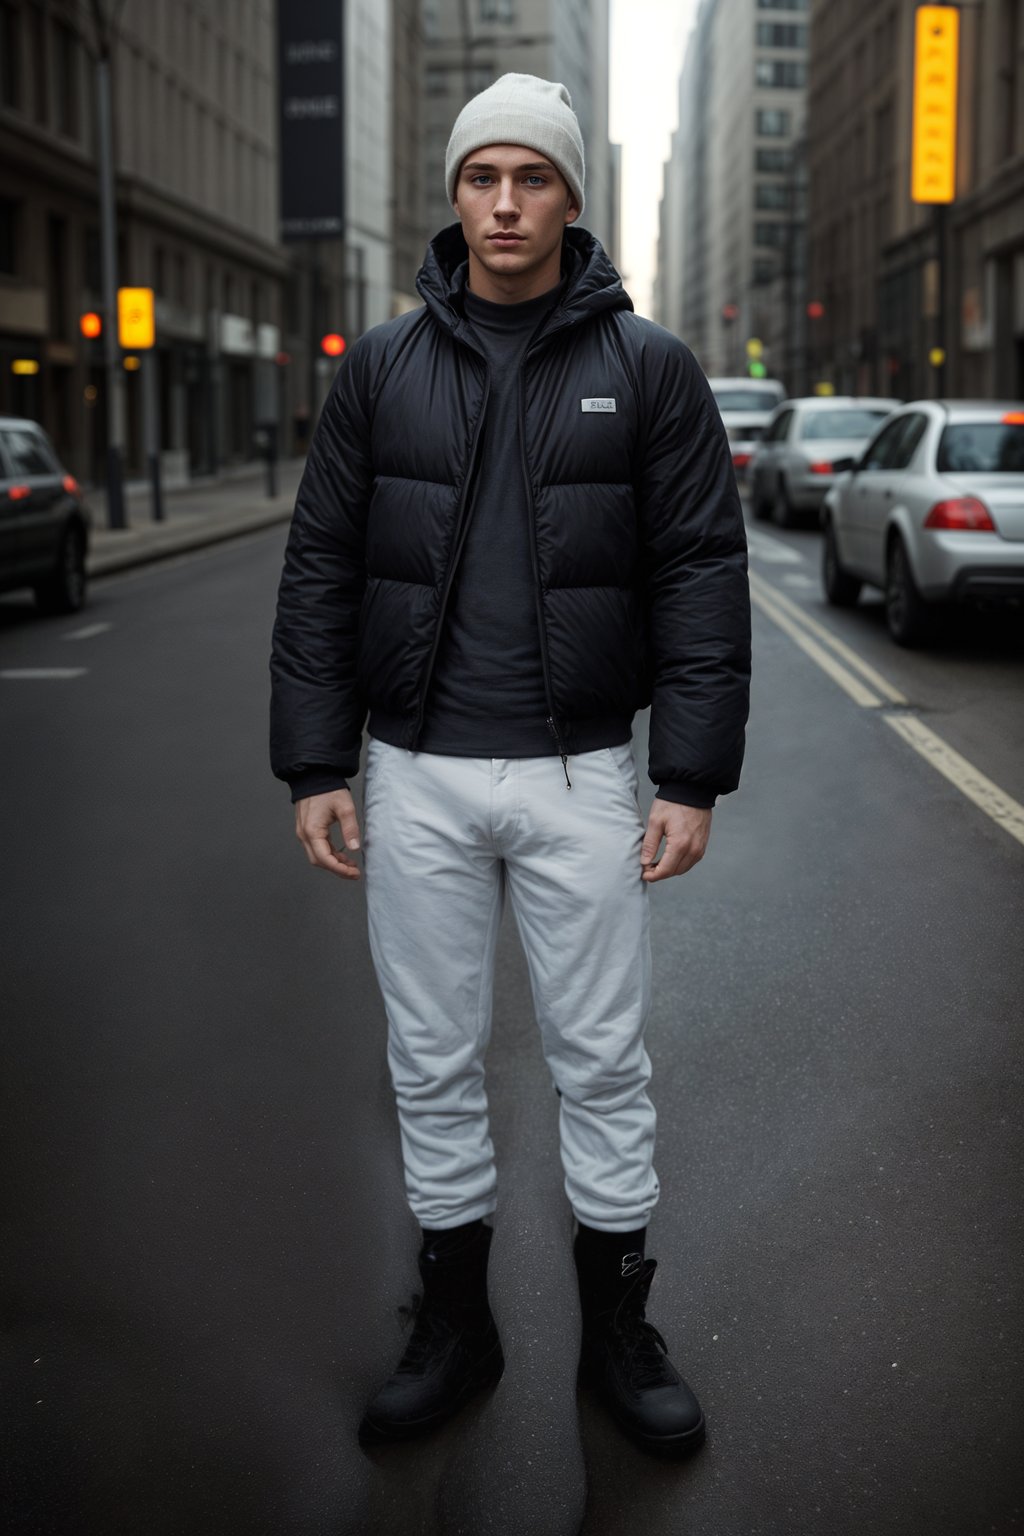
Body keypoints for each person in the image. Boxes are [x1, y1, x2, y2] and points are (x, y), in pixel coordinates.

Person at [270, 73, 750, 1458]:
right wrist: (318, 762)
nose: (502, 202)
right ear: (456, 193)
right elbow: (320, 574)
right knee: (431, 1061)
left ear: (570, 196)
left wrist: (690, 776)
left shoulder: (648, 367)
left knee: (602, 1062)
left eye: (530, 177)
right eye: (482, 176)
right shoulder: (380, 368)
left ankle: (618, 1332)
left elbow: (701, 574)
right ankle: (455, 1321)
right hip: (414, 773)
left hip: (583, 775)